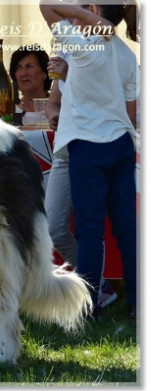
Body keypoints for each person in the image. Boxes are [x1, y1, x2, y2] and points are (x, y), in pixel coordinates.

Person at [40, 0, 139, 319]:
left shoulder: (81, 43)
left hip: (87, 144)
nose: (72, 12)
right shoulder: (127, 54)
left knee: (89, 230)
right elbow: (130, 113)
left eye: (81, 7)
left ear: (94, 10)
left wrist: (84, 17)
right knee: (127, 228)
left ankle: (90, 305)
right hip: (121, 143)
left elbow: (46, 5)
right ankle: (137, 302)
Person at [9, 45, 51, 125]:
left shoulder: (60, 108)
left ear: (45, 73)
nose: (23, 73)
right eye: (18, 68)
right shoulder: (9, 112)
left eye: (30, 67)